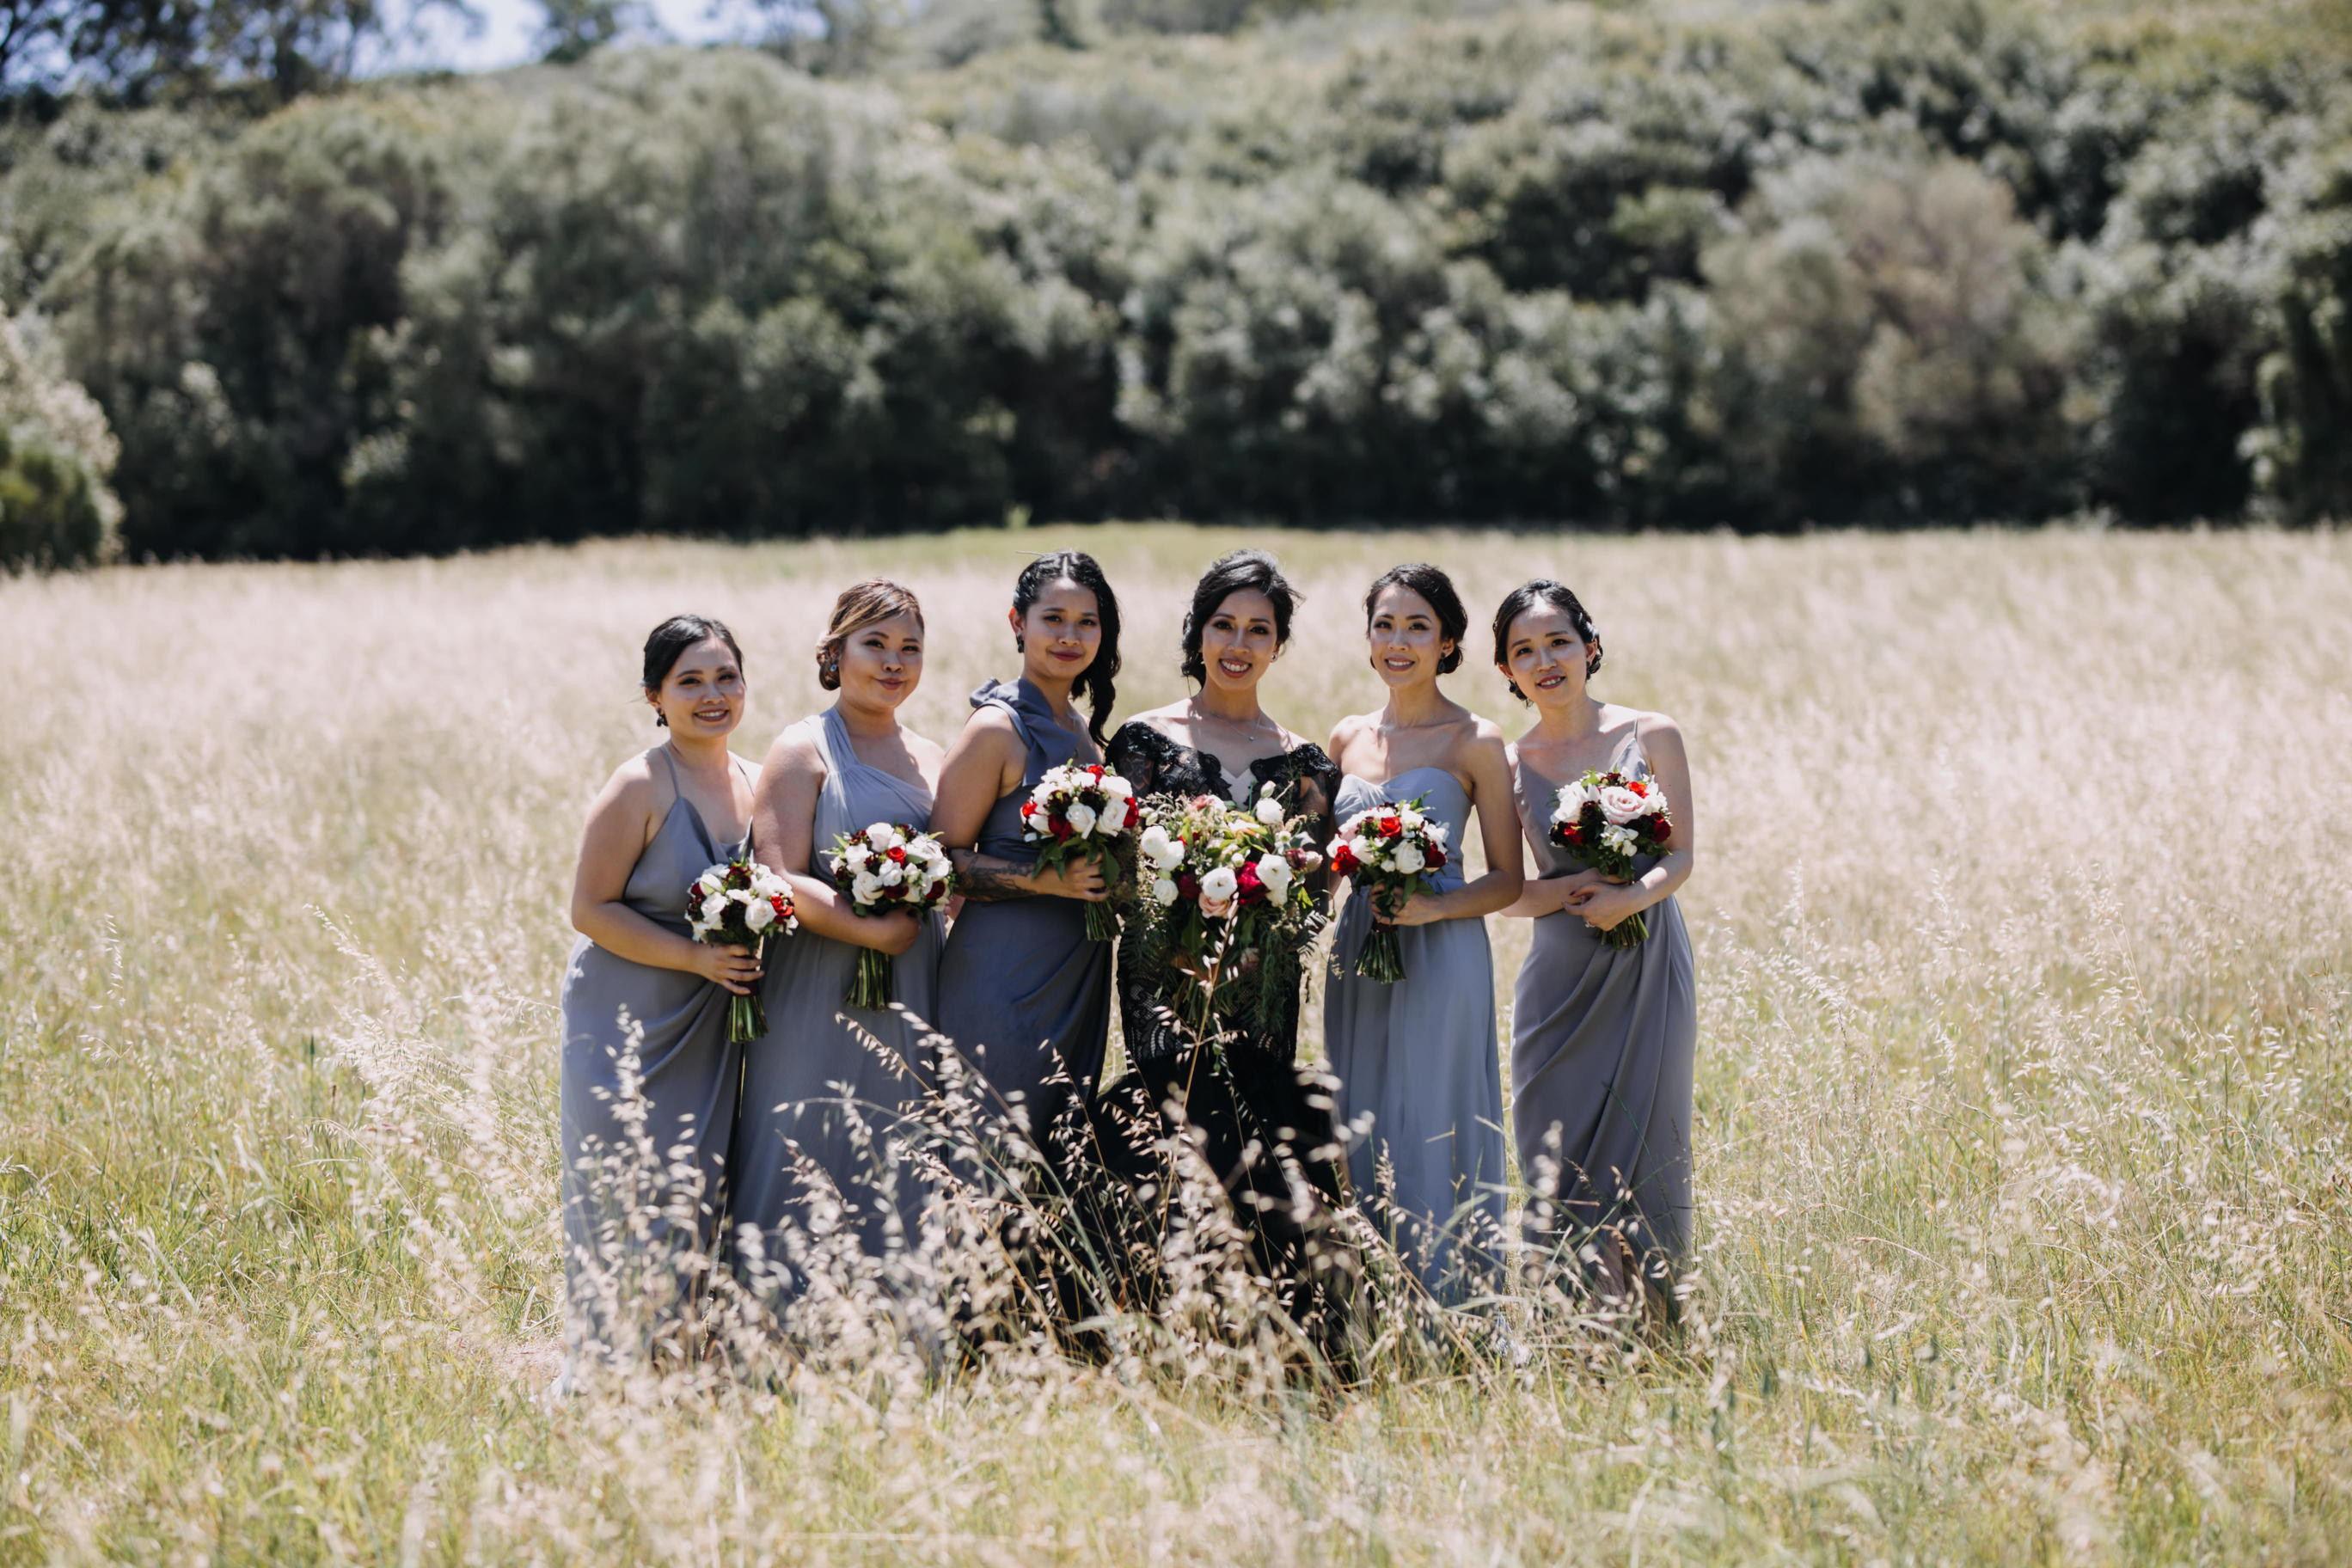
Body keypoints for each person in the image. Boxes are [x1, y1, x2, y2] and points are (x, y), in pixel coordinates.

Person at [1095, 549, 1352, 1337]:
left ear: (1279, 645)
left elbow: (1313, 892)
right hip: (1161, 979)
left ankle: (1270, 1322)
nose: (1238, 644)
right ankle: (1167, 1314)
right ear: (1197, 632)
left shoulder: (1305, 761)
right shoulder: (1143, 743)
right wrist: (1179, 941)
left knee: (1258, 1122)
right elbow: (1122, 873)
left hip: (1262, 986)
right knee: (1176, 1120)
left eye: (1258, 630)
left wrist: (1259, 939)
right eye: (1223, 625)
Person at [734, 580, 946, 1308]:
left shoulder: (933, 756)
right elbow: (779, 875)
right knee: (800, 1136)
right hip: (815, 990)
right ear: (836, 652)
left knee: (897, 1148)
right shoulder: (801, 748)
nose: (894, 663)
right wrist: (870, 929)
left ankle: (890, 1325)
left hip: (911, 987)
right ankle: (775, 1324)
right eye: (875, 645)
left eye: (909, 648)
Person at [558, 615, 763, 1367]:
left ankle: (676, 1360)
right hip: (625, 1022)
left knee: (693, 1189)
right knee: (619, 1194)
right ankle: (609, 1366)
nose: (713, 696)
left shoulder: (757, 780)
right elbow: (589, 909)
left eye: (726, 677)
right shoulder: (639, 783)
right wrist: (694, 957)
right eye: (690, 682)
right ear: (655, 695)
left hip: (708, 1026)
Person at [1493, 579, 1697, 1316]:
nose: (1544, 660)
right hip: (1560, 977)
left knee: (1652, 1141)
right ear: (1507, 672)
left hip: (1648, 964)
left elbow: (1679, 859)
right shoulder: (1507, 766)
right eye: (1523, 651)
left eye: (1558, 642)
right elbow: (1509, 890)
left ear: (1592, 647)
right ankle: (1580, 1332)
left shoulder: (1653, 734)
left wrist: (1630, 899)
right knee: (1557, 1147)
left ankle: (1660, 1326)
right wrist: (1576, 892)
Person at [1323, 563, 1522, 1298]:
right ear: (1368, 637)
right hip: (1360, 946)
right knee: (1363, 1113)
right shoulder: (1346, 737)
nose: (1398, 641)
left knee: (1435, 1115)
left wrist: (1433, 908)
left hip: (1444, 946)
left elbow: (1509, 878)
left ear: (1448, 642)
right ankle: (1378, 1300)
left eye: (1417, 627)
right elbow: (1324, 861)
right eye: (1385, 625)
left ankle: (1457, 1303)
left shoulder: (1476, 740)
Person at [930, 551, 1123, 1135]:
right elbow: (942, 862)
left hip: (1078, 969)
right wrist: (1046, 880)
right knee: (993, 1148)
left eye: (1087, 622)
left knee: (1058, 1156)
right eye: (1054, 618)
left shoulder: (1083, 733)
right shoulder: (996, 729)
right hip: (1004, 971)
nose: (1070, 636)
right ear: (1018, 623)